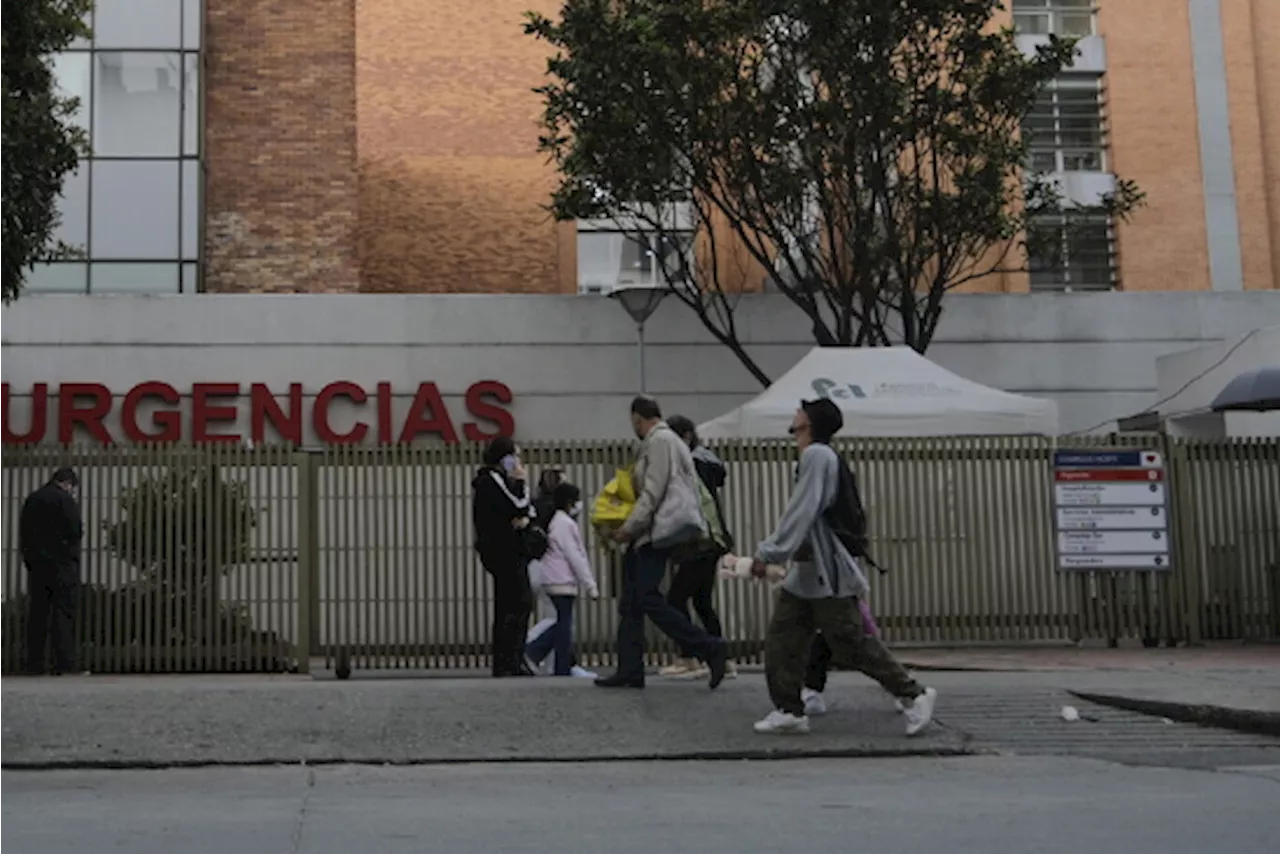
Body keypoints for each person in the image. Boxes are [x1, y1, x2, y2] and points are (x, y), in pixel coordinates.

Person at [750, 399, 936, 736]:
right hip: (809, 571)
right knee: (782, 639)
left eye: (800, 410)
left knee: (849, 641)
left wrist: (770, 552)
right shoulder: (819, 455)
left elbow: (802, 510)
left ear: (809, 421)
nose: (795, 413)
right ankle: (789, 709)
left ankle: (914, 693)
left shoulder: (817, 455)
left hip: (824, 571)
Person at [596, 396, 730, 690]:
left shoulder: (659, 441)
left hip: (653, 533)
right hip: (651, 533)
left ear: (637, 418)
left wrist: (629, 529)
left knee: (646, 597)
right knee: (631, 601)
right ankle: (629, 669)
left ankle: (709, 647)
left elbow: (653, 492)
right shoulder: (670, 441)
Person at [659, 415, 736, 681]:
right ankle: (722, 660)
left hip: (698, 540)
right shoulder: (708, 461)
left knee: (675, 600)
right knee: (703, 601)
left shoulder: (690, 463)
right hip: (713, 540)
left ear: (685, 437)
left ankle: (689, 656)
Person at [472, 437, 536, 677]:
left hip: (505, 549)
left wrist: (523, 514)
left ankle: (509, 660)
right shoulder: (491, 480)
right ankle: (509, 660)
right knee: (518, 602)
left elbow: (527, 512)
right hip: (503, 550)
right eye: (514, 456)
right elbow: (519, 505)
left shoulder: (496, 481)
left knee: (510, 604)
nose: (518, 462)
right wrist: (520, 482)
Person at [524, 483, 600, 676]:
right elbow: (575, 557)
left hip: (553, 578)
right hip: (562, 580)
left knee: (562, 623)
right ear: (569, 502)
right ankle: (536, 653)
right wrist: (590, 585)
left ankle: (556, 663)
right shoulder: (565, 524)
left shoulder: (554, 521)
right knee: (563, 625)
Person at [20, 468, 84, 676]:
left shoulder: (33, 499)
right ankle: (64, 664)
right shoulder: (64, 501)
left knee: (38, 614)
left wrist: (30, 559)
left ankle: (34, 664)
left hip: (38, 566)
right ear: (68, 483)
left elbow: (24, 533)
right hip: (62, 565)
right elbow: (76, 530)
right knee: (63, 614)